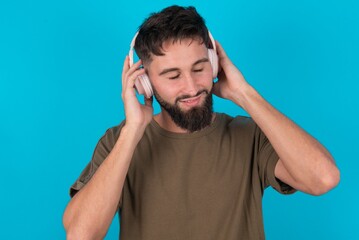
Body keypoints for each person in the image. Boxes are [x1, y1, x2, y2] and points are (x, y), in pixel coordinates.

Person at [63, 5, 340, 240]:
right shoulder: (119, 142)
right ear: (144, 82)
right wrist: (132, 130)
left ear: (215, 64)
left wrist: (244, 94)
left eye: (199, 68)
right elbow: (80, 234)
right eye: (173, 76)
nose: (192, 86)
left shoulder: (249, 135)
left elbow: (323, 179)